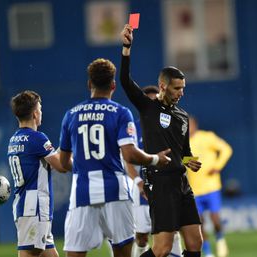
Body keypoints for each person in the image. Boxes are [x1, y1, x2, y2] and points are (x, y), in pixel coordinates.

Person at [59, 58, 172, 257]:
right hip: (115, 190)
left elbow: (62, 162)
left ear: (89, 84)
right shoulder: (120, 112)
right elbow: (129, 153)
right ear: (113, 85)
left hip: (82, 191)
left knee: (75, 253)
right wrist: (155, 159)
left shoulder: (71, 115)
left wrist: (84, 169)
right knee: (122, 252)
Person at [120, 24, 203, 257]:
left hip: (182, 182)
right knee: (162, 249)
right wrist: (126, 48)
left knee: (195, 242)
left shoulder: (182, 116)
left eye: (183, 88)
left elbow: (184, 150)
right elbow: (125, 81)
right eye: (177, 88)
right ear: (162, 86)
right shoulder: (148, 107)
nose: (181, 93)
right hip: (161, 182)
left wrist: (190, 161)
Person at [8, 90, 67, 257]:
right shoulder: (37, 138)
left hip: (25, 205)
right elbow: (61, 166)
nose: (41, 111)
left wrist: (64, 147)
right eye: (40, 108)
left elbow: (47, 164)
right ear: (35, 113)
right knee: (29, 254)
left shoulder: (14, 139)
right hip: (34, 207)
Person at [125, 86, 183, 257]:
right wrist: (138, 183)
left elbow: (181, 155)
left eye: (155, 101)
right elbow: (128, 159)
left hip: (167, 188)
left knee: (173, 232)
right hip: (144, 190)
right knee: (142, 237)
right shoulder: (133, 128)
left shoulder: (170, 124)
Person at [187, 116, 232, 257]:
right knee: (199, 223)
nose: (189, 127)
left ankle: (220, 239)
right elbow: (185, 162)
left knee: (215, 219)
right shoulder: (183, 143)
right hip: (194, 189)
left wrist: (217, 166)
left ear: (196, 125)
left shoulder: (207, 137)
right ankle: (207, 252)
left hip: (211, 186)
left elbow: (226, 149)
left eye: (190, 124)